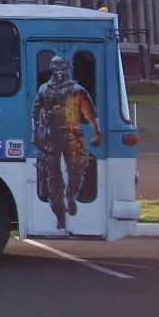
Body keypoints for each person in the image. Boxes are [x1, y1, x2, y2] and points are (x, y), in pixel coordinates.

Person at [31, 55, 101, 230]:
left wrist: (96, 133)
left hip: (72, 134)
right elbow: (35, 112)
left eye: (63, 68)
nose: (61, 72)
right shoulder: (44, 89)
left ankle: (71, 195)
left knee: (77, 170)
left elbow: (91, 112)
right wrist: (35, 134)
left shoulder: (76, 89)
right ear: (52, 69)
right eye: (57, 68)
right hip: (51, 136)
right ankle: (59, 215)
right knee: (53, 179)